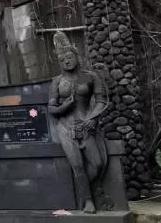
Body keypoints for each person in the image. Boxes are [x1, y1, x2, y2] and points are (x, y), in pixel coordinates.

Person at [47, 31, 109, 213]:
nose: (66, 61)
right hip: (66, 126)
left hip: (86, 124)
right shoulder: (57, 82)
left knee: (97, 164)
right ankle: (89, 200)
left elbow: (102, 101)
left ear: (76, 56)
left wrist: (92, 118)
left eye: (68, 56)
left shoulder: (90, 77)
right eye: (62, 59)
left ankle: (82, 193)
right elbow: (52, 109)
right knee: (77, 165)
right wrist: (66, 105)